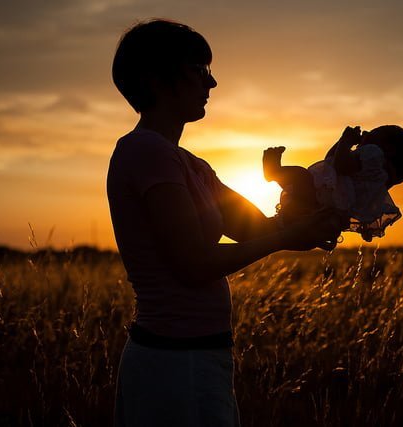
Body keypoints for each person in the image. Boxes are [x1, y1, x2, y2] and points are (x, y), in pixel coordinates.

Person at [107, 19, 344, 427]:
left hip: (199, 356)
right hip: (173, 363)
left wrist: (329, 181)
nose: (211, 83)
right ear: (157, 80)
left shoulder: (192, 165)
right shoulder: (145, 151)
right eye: (199, 70)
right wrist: (290, 235)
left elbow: (264, 228)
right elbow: (195, 263)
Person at [263, 125, 403, 241]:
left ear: (388, 148)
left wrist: (347, 141)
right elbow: (331, 161)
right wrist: (342, 143)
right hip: (325, 207)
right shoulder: (379, 176)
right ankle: (290, 211)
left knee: (300, 176)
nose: (368, 132)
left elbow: (340, 164)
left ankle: (273, 173)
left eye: (374, 132)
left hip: (324, 200)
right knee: (300, 185)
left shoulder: (373, 154)